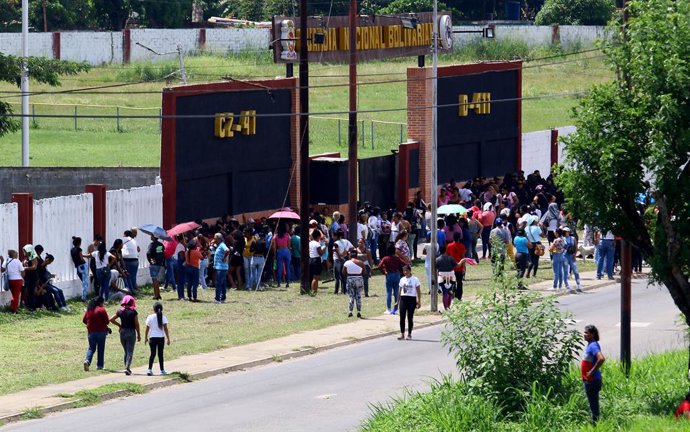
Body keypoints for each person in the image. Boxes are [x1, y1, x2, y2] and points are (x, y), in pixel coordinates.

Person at [109, 295, 140, 375]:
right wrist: (139, 334)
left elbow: (111, 319)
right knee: (130, 351)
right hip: (131, 332)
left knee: (126, 351)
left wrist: (119, 325)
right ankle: (127, 368)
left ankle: (126, 367)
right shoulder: (134, 312)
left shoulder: (120, 311)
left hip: (122, 332)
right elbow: (136, 324)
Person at [582, 324, 605, 424]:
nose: (584, 334)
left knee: (594, 406)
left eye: (587, 333)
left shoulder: (593, 345)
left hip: (592, 381)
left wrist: (591, 372)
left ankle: (595, 426)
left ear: (593, 334)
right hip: (590, 380)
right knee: (593, 404)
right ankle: (595, 423)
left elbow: (601, 358)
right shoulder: (591, 344)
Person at [82, 297, 110, 371]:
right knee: (100, 348)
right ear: (101, 302)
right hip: (101, 332)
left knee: (91, 348)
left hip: (91, 332)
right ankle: (99, 366)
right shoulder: (101, 309)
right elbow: (107, 321)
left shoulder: (89, 310)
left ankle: (87, 361)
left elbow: (84, 320)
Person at [395, 265, 421, 340]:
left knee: (410, 317)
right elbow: (399, 291)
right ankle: (402, 334)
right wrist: (397, 301)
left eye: (407, 270)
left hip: (412, 299)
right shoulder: (402, 279)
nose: (405, 272)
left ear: (410, 270)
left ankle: (409, 334)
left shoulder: (415, 279)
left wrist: (419, 301)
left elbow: (418, 291)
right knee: (402, 317)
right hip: (403, 299)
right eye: (404, 271)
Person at [377, 244, 404, 315]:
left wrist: (384, 272)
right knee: (396, 292)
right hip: (397, 275)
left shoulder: (385, 258)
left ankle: (388, 309)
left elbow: (379, 266)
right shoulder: (397, 258)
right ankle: (396, 308)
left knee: (389, 292)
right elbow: (403, 263)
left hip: (389, 274)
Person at [145, 302, 171, 376]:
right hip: (161, 338)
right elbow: (165, 329)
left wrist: (146, 337)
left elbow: (147, 328)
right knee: (160, 354)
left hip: (152, 338)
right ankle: (162, 370)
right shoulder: (163, 317)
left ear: (154, 309)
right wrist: (168, 338)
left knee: (152, 354)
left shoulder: (150, 317)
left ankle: (149, 369)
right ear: (161, 309)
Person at [342, 248, 365, 318]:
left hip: (350, 279)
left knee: (351, 296)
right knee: (358, 296)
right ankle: (359, 311)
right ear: (356, 256)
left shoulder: (346, 263)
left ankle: (350, 311)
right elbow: (365, 272)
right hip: (359, 279)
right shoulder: (361, 263)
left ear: (350, 256)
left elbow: (343, 272)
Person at [332, 229, 354, 295]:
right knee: (344, 277)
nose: (332, 237)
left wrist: (341, 256)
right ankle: (344, 291)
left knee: (337, 277)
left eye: (333, 236)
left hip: (337, 260)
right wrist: (348, 253)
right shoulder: (346, 241)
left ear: (336, 236)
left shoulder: (336, 243)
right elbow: (353, 248)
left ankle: (336, 291)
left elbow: (337, 253)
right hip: (344, 260)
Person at [71, 236, 91, 302]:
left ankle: (84, 296)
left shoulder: (72, 250)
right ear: (79, 243)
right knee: (85, 283)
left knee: (83, 282)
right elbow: (81, 257)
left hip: (77, 267)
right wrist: (84, 261)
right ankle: (83, 298)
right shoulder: (79, 249)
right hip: (82, 265)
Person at [273, 222, 292, 288]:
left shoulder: (276, 236)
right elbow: (289, 246)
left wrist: (275, 254)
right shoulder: (287, 235)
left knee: (280, 268)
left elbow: (275, 247)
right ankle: (288, 283)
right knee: (287, 268)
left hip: (279, 251)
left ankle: (278, 283)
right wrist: (289, 252)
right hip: (286, 251)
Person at [146, 235, 165, 300]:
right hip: (159, 263)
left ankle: (156, 295)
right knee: (156, 279)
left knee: (154, 279)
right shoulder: (160, 245)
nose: (150, 237)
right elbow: (160, 253)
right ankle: (158, 294)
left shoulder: (152, 244)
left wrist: (150, 260)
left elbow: (148, 253)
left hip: (154, 264)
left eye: (151, 236)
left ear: (154, 237)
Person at [562, 227, 582, 291]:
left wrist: (574, 255)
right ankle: (566, 285)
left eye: (567, 231)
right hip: (565, 256)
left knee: (575, 270)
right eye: (565, 232)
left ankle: (578, 284)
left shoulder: (573, 238)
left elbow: (576, 247)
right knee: (565, 271)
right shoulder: (562, 239)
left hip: (571, 256)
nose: (566, 233)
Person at [122, 229, 140, 294]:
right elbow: (138, 249)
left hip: (126, 260)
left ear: (125, 234)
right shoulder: (134, 241)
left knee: (126, 275)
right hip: (135, 260)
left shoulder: (123, 239)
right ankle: (133, 290)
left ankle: (128, 290)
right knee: (133, 276)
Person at [213, 233, 230, 303]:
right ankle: (223, 298)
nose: (214, 239)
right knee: (222, 283)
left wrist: (224, 257)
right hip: (222, 267)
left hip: (221, 267)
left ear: (219, 238)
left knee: (218, 283)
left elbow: (227, 250)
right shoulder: (220, 245)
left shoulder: (222, 245)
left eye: (215, 238)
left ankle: (217, 299)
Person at [308, 229, 326, 293]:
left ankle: (309, 289)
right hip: (316, 260)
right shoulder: (317, 244)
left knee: (310, 276)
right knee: (316, 277)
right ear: (318, 236)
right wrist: (324, 248)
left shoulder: (310, 243)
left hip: (310, 259)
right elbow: (320, 253)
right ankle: (314, 291)